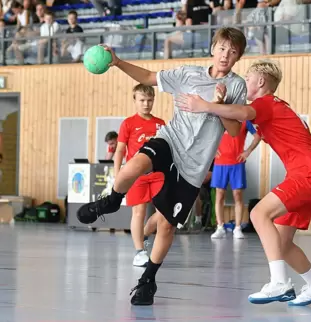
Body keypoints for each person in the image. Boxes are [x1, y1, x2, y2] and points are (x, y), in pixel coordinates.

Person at [76, 27, 247, 306]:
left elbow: (234, 130)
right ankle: (111, 201)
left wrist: (213, 105)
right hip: (171, 140)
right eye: (222, 47)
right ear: (212, 48)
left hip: (193, 165)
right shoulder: (188, 73)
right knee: (134, 166)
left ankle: (148, 280)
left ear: (238, 56)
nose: (225, 54)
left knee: (166, 227)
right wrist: (118, 62)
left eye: (232, 51)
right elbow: (147, 77)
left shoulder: (236, 86)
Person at [176, 59, 311, 307]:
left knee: (259, 213)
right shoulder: (271, 107)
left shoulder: (266, 104)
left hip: (307, 174)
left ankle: (280, 283)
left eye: (248, 79)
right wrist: (218, 104)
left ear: (260, 82)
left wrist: (204, 105)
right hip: (309, 175)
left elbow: (242, 113)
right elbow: (234, 123)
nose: (245, 83)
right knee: (281, 244)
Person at [114, 84, 166, 267]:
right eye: (142, 100)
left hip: (159, 174)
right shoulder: (128, 123)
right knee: (139, 211)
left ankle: (144, 234)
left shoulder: (160, 123)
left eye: (150, 100)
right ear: (135, 101)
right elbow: (120, 151)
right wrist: (117, 175)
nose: (146, 104)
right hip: (136, 176)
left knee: (163, 214)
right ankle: (139, 251)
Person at [211, 120, 261, 239]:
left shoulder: (244, 121)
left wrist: (247, 151)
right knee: (219, 194)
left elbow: (258, 136)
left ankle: (237, 228)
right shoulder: (219, 120)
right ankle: (220, 227)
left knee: (237, 194)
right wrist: (211, 150)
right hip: (220, 163)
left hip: (237, 163)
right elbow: (204, 135)